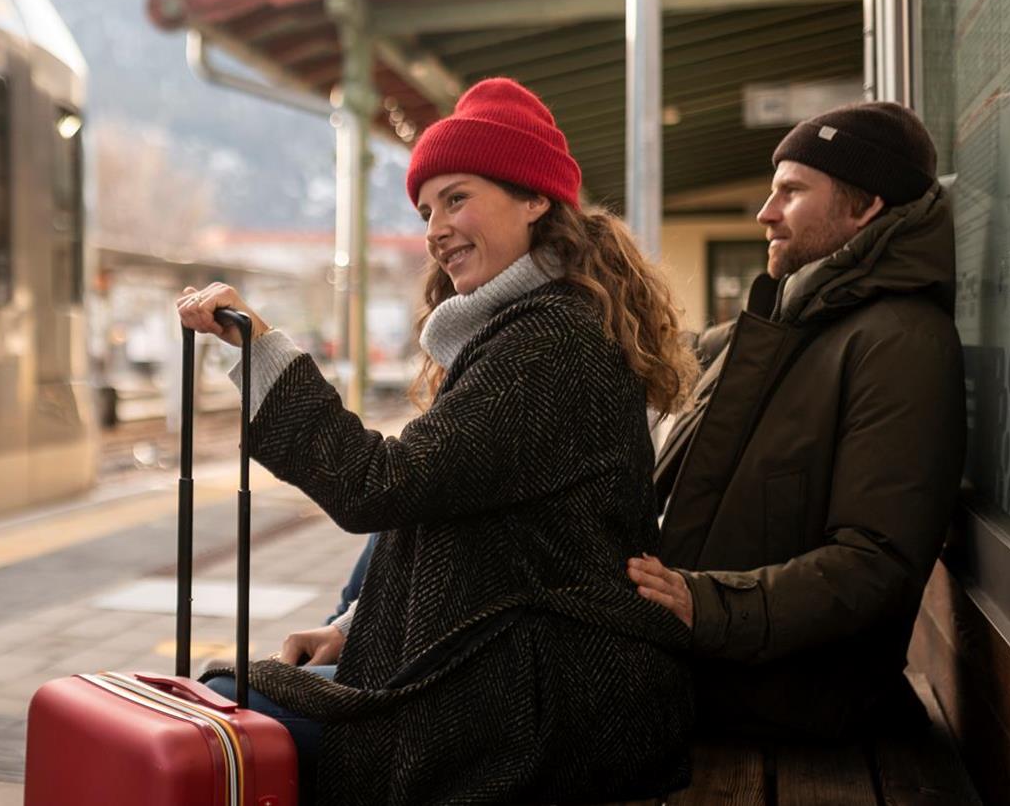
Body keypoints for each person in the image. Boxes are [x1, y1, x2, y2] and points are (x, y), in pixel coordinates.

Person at [179, 77, 698, 805]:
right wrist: (357, 627)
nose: (434, 229)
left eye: (457, 198)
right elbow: (462, 515)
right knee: (242, 689)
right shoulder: (537, 329)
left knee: (222, 707)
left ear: (534, 198)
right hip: (536, 670)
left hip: (546, 706)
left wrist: (261, 353)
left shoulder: (548, 346)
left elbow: (377, 485)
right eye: (427, 209)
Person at [627, 102, 965, 740]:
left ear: (864, 206)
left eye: (791, 191)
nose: (766, 213)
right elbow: (663, 354)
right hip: (718, 668)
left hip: (783, 698)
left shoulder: (902, 343)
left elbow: (874, 563)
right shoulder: (796, 322)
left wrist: (704, 604)